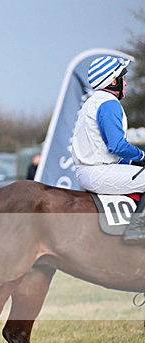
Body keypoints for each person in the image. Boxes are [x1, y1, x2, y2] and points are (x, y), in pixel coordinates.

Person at [72, 55, 145, 243]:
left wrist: (134, 158)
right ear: (113, 81)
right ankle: (137, 228)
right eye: (124, 78)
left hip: (91, 170)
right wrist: (142, 155)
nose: (126, 84)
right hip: (99, 172)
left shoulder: (93, 102)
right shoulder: (109, 103)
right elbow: (117, 145)